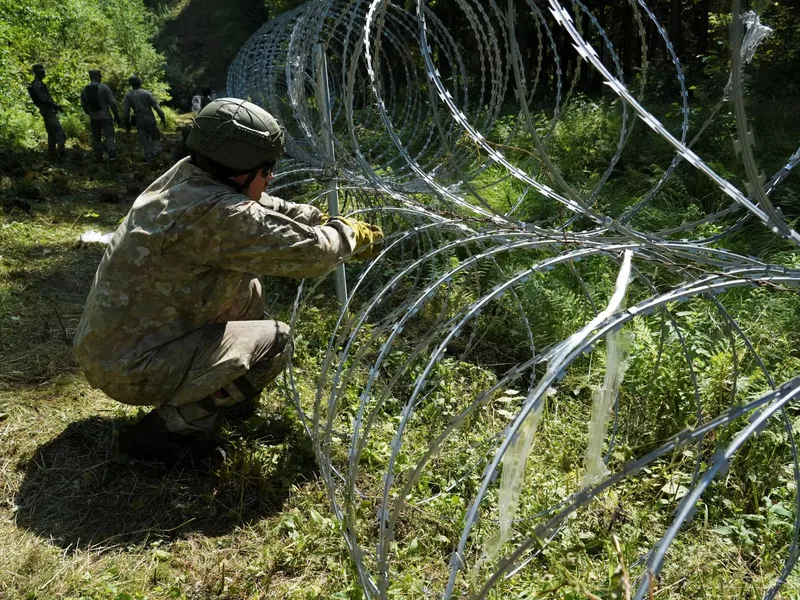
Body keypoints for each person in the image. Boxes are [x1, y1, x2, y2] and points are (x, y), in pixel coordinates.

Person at [74, 98, 383, 462]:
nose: (271, 178)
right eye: (267, 169)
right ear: (241, 172)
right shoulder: (214, 214)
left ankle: (213, 394)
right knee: (276, 342)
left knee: (246, 290)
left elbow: (264, 207)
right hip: (129, 369)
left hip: (116, 346)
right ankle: (167, 430)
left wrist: (315, 216)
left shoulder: (188, 175)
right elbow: (311, 254)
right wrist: (348, 236)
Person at [122, 76, 166, 162]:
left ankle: (149, 157)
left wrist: (126, 123)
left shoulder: (128, 96)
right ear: (140, 83)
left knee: (144, 140)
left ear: (130, 84)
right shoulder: (146, 93)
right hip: (150, 119)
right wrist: (162, 117)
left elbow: (126, 112)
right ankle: (156, 151)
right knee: (155, 136)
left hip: (139, 121)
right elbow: (156, 106)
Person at [27, 64, 66, 158]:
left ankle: (52, 154)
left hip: (46, 110)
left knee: (52, 134)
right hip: (48, 110)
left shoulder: (37, 83)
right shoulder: (38, 84)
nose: (43, 73)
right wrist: (56, 106)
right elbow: (44, 99)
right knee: (60, 133)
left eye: (43, 71)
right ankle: (62, 155)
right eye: (41, 72)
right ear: (37, 73)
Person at [80, 69, 120, 161]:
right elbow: (112, 103)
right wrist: (116, 115)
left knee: (96, 137)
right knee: (109, 136)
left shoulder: (85, 89)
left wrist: (89, 113)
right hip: (105, 115)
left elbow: (83, 105)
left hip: (93, 117)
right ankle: (112, 155)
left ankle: (98, 156)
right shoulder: (104, 87)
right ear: (97, 77)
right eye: (100, 77)